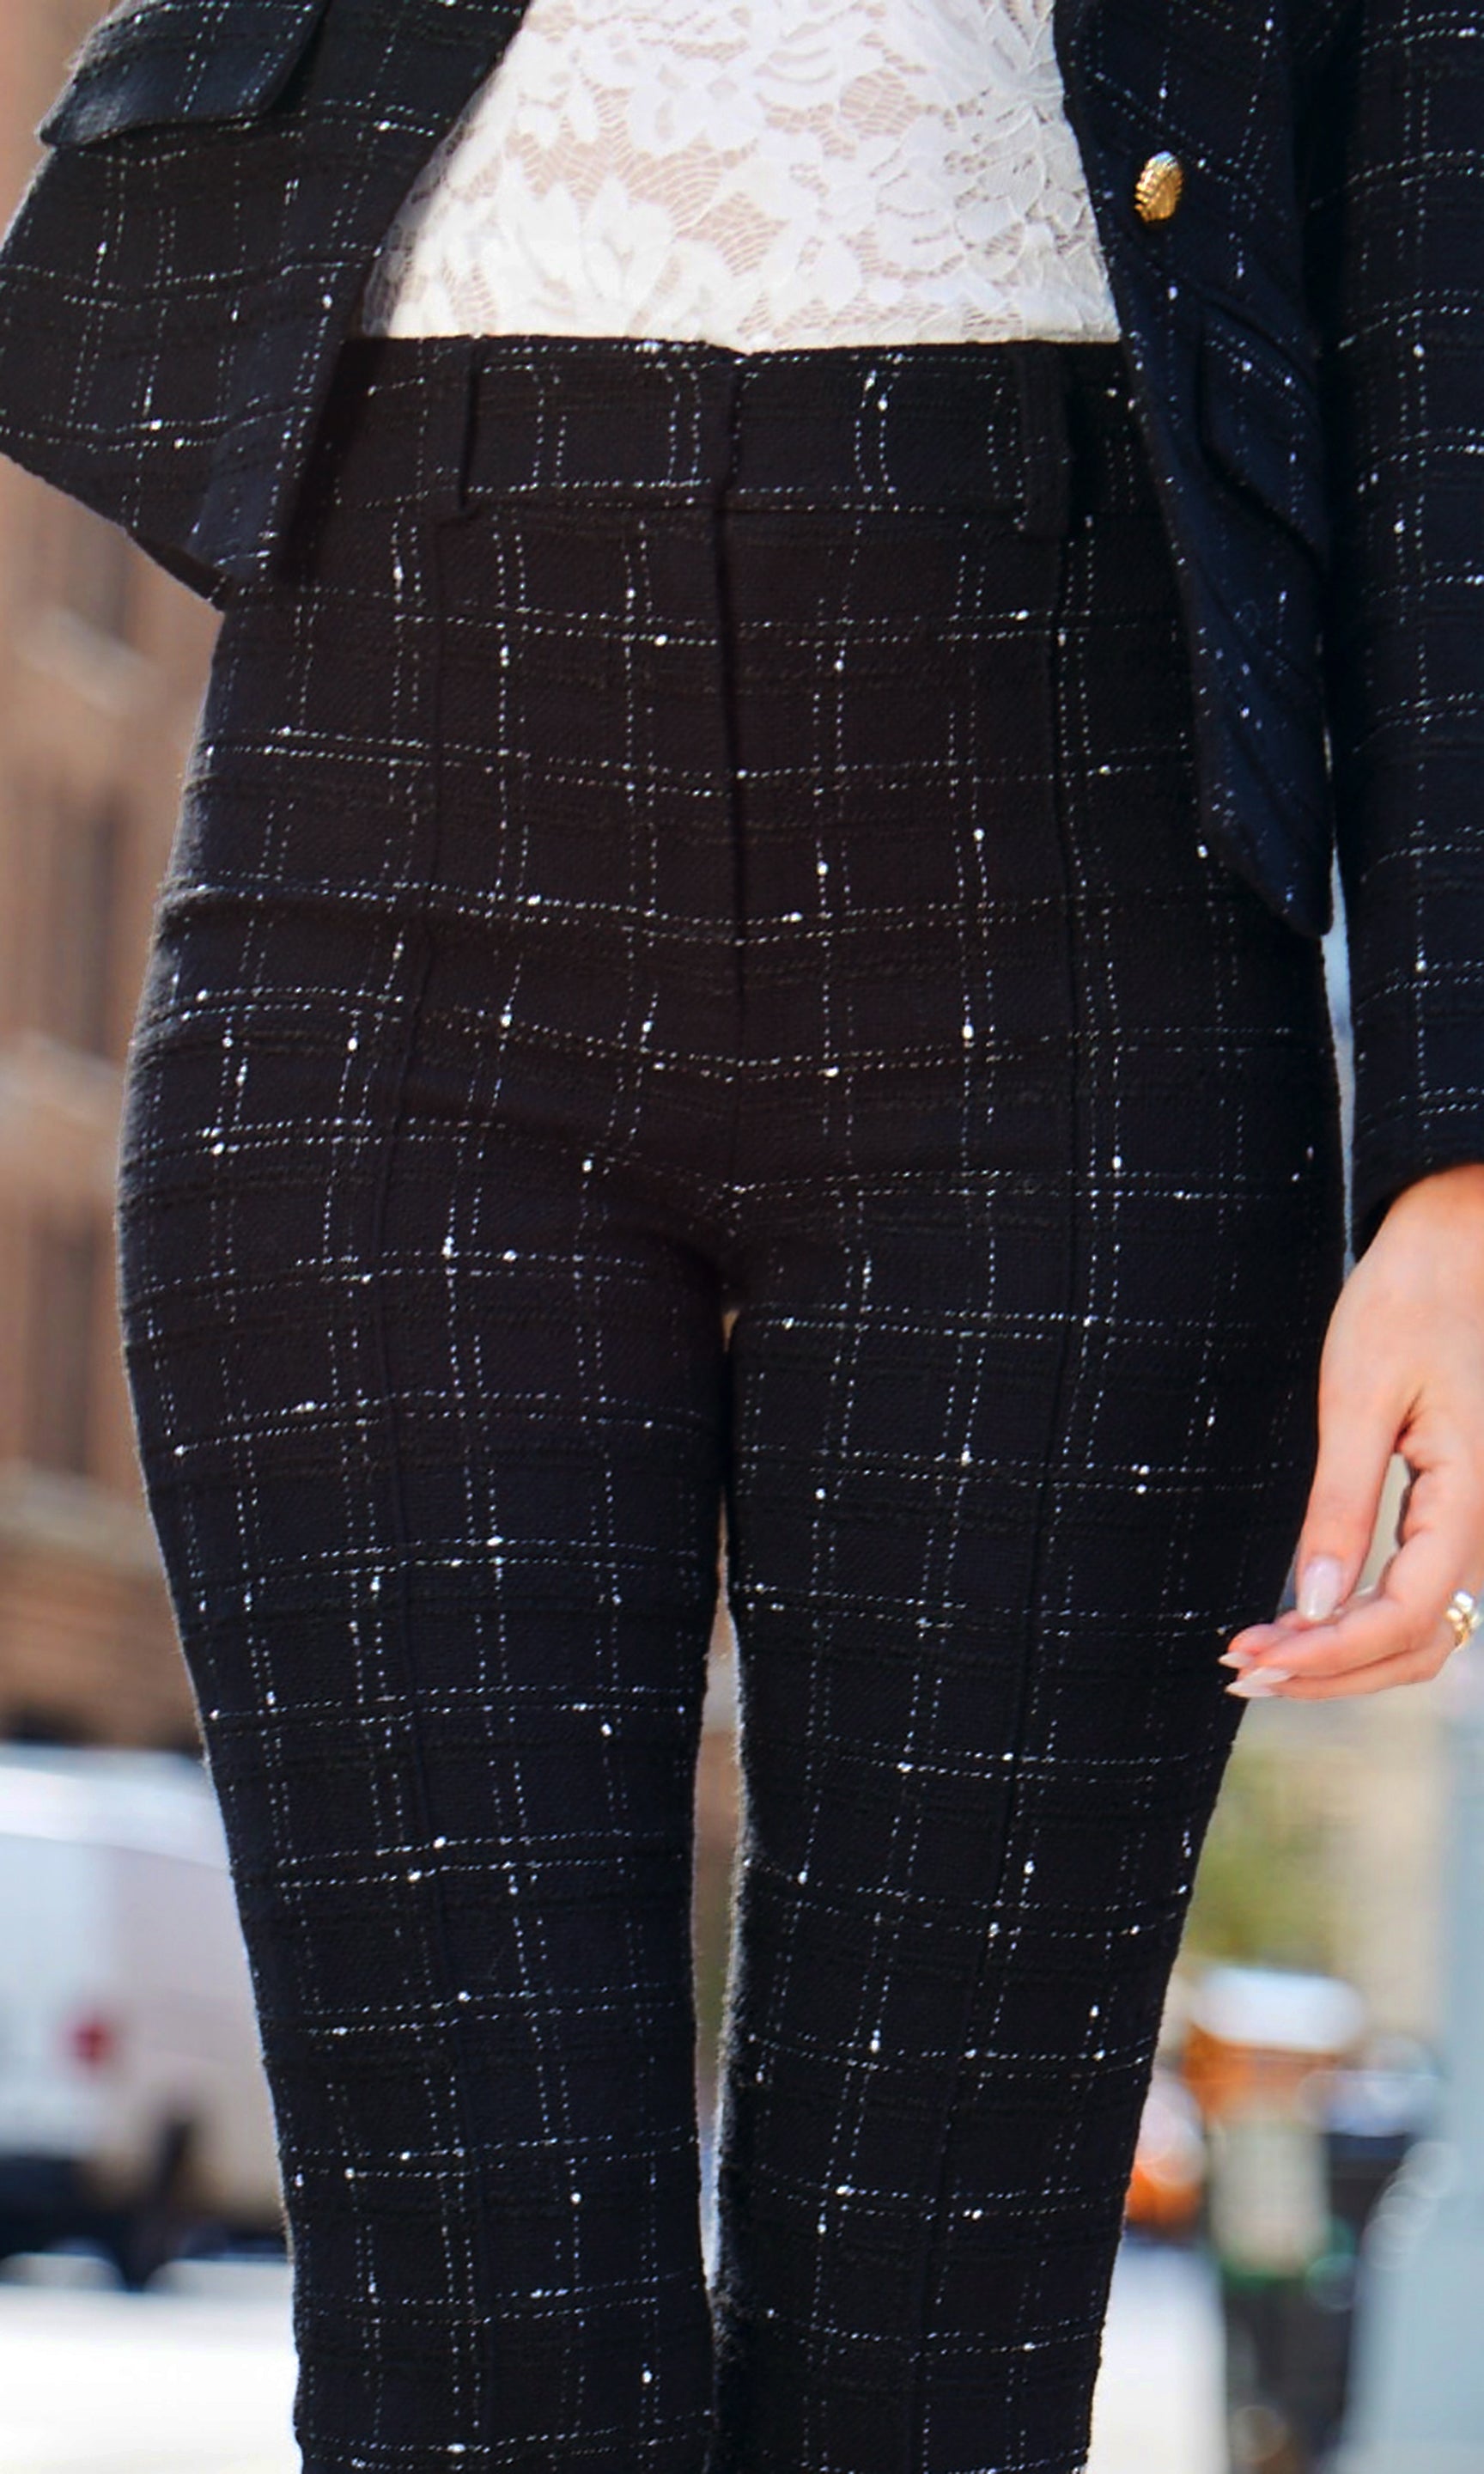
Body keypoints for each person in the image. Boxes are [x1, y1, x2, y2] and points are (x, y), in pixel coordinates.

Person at [0, 1, 1481, 2467]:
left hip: (1077, 856)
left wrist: (1455, 1159)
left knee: (935, 2377)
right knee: (475, 2375)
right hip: (388, 788)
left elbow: (1451, 339)